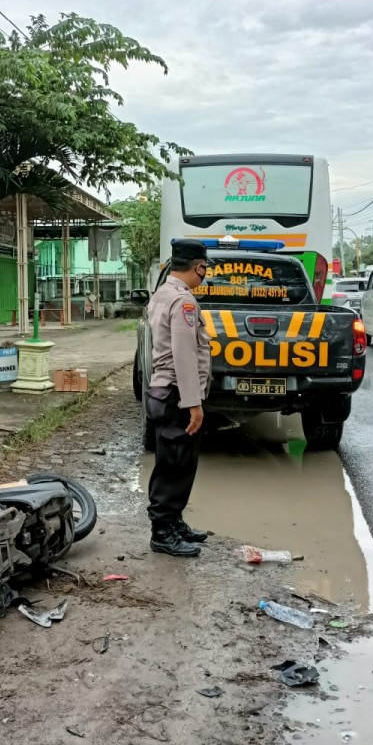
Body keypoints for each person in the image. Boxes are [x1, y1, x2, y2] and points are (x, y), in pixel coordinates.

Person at [144, 239, 212, 558]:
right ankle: (163, 532)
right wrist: (193, 403)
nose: (205, 276)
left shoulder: (162, 293)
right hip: (176, 394)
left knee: (178, 463)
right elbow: (184, 355)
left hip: (166, 392)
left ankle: (174, 522)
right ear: (199, 267)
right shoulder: (183, 301)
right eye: (205, 270)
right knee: (174, 465)